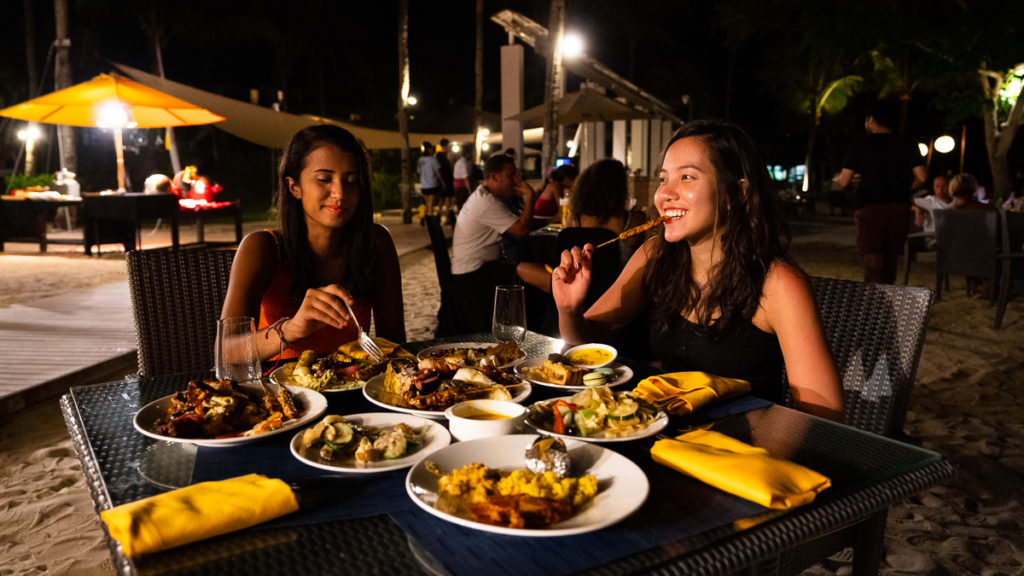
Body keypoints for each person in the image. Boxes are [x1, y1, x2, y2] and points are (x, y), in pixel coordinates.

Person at [551, 119, 844, 421]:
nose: (665, 194)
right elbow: (586, 349)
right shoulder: (653, 256)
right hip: (665, 435)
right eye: (663, 179)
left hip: (741, 450)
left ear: (737, 193)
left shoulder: (778, 283)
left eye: (687, 177)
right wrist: (570, 310)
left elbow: (826, 418)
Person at [221, 125, 405, 361]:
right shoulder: (263, 248)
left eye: (351, 180)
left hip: (353, 385)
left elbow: (395, 342)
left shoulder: (375, 242)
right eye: (324, 179)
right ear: (294, 187)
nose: (340, 192)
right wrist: (292, 328)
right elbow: (226, 352)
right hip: (279, 392)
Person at [517, 159, 645, 295]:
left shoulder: (573, 219)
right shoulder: (635, 219)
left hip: (577, 289)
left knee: (521, 267)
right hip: (619, 293)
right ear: (621, 188)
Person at [834, 99, 927, 284]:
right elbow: (922, 177)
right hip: (899, 206)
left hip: (870, 207)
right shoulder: (908, 143)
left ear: (870, 120)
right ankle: (887, 297)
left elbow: (844, 181)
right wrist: (906, 185)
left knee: (872, 259)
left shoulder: (860, 144)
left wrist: (841, 180)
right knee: (891, 259)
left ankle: (873, 300)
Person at [445, 153, 535, 333]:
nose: (516, 180)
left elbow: (520, 222)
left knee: (524, 269)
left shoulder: (486, 196)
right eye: (511, 176)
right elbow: (521, 229)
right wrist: (531, 197)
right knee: (528, 271)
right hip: (473, 274)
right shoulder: (486, 202)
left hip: (479, 269)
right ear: (493, 177)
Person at [416, 142, 444, 223]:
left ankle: (424, 217)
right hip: (432, 183)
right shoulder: (433, 159)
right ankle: (430, 220)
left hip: (424, 184)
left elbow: (418, 171)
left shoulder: (420, 160)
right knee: (431, 203)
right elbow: (438, 173)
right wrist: (442, 183)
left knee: (427, 202)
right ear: (429, 149)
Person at [436, 139, 455, 221]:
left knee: (441, 198)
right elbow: (452, 166)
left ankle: (439, 215)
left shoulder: (437, 155)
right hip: (447, 177)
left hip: (440, 178)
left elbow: (436, 168)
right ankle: (447, 217)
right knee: (448, 198)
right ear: (446, 145)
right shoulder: (448, 155)